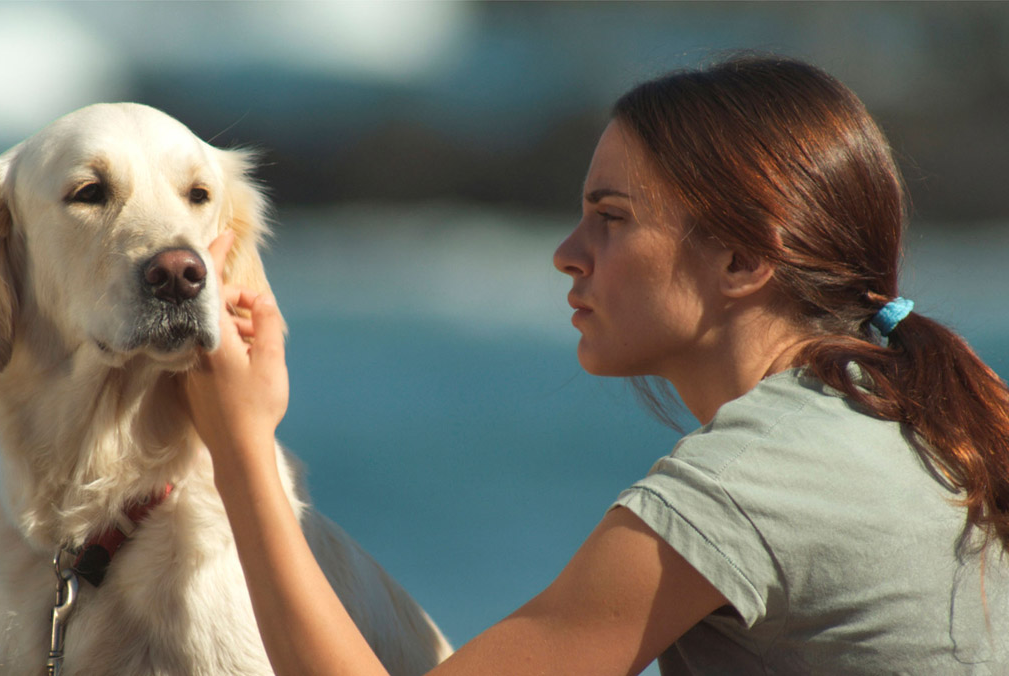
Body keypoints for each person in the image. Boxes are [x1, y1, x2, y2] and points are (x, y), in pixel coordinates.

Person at [182, 55, 1009, 675]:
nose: (567, 255)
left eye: (611, 219)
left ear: (742, 260)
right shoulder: (900, 414)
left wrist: (241, 445)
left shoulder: (761, 477)